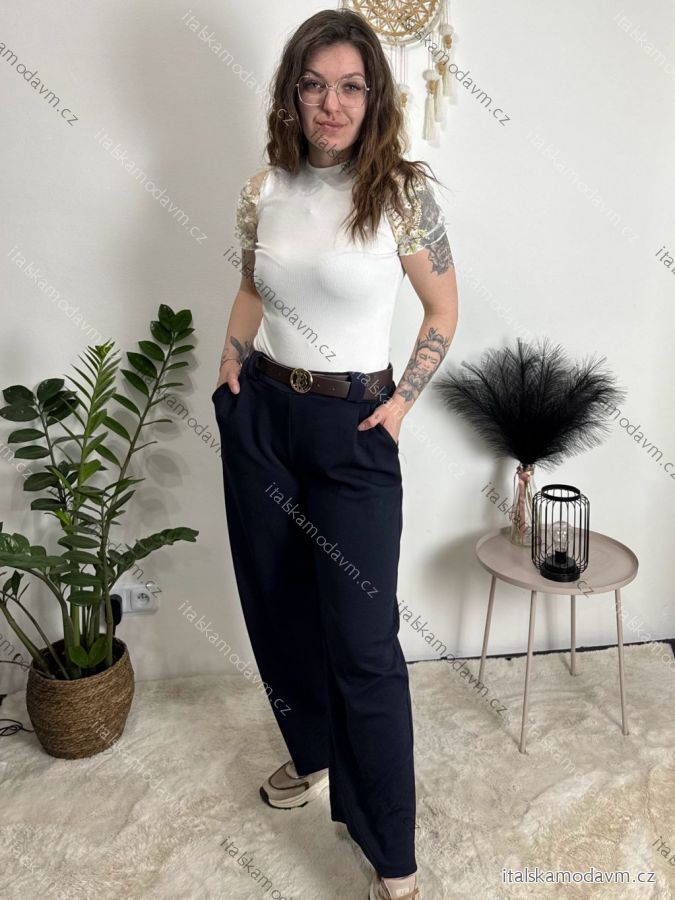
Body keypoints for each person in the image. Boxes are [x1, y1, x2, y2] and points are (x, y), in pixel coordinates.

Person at [212, 9, 458, 900]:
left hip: (354, 428)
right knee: (277, 606)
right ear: (291, 94)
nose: (331, 104)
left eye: (351, 86)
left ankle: (391, 856)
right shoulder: (263, 189)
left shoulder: (401, 195)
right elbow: (252, 285)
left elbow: (442, 311)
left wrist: (400, 403)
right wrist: (230, 362)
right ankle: (311, 751)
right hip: (264, 416)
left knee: (363, 642)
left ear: (374, 96)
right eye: (314, 85)